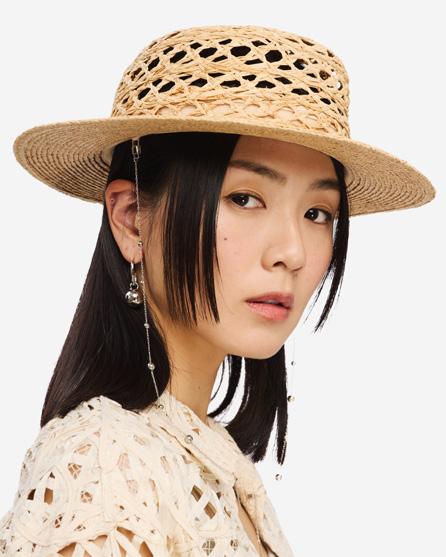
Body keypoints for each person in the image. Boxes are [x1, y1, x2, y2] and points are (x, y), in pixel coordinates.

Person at [0, 24, 436, 557]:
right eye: (246, 198)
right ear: (133, 219)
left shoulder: (209, 460)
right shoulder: (108, 470)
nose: (292, 252)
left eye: (317, 213)